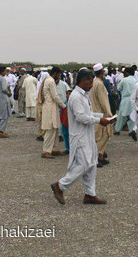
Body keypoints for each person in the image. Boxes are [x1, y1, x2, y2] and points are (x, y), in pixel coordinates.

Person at [50, 69, 115, 205]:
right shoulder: (75, 96)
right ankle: (60, 186)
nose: (91, 84)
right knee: (84, 164)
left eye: (92, 81)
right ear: (81, 81)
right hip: (79, 136)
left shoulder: (84, 95)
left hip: (87, 134)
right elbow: (81, 117)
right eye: (89, 81)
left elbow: (89, 113)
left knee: (92, 163)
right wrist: (99, 121)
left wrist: (103, 117)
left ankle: (90, 194)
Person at [40, 67, 66, 158]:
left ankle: (54, 149)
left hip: (51, 107)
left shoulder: (47, 80)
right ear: (55, 73)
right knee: (50, 129)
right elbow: (55, 96)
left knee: (55, 129)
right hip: (50, 107)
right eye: (58, 74)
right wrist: (64, 106)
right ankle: (46, 151)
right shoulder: (51, 81)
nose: (59, 76)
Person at [91, 63, 113, 167]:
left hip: (95, 113)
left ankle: (100, 156)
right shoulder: (99, 84)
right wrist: (109, 114)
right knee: (103, 136)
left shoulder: (94, 82)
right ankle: (95, 158)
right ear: (102, 72)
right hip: (100, 114)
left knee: (100, 136)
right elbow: (104, 101)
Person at [115, 66, 137, 140]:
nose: (124, 74)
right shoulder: (136, 80)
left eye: (124, 73)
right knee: (132, 116)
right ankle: (131, 130)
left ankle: (117, 130)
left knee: (121, 116)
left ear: (128, 73)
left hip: (125, 99)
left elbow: (118, 88)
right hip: (134, 99)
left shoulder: (124, 80)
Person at [0, 66, 12, 138]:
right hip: (3, 99)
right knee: (4, 116)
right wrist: (9, 92)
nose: (5, 73)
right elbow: (4, 89)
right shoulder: (2, 79)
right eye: (5, 71)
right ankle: (0, 131)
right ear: (2, 72)